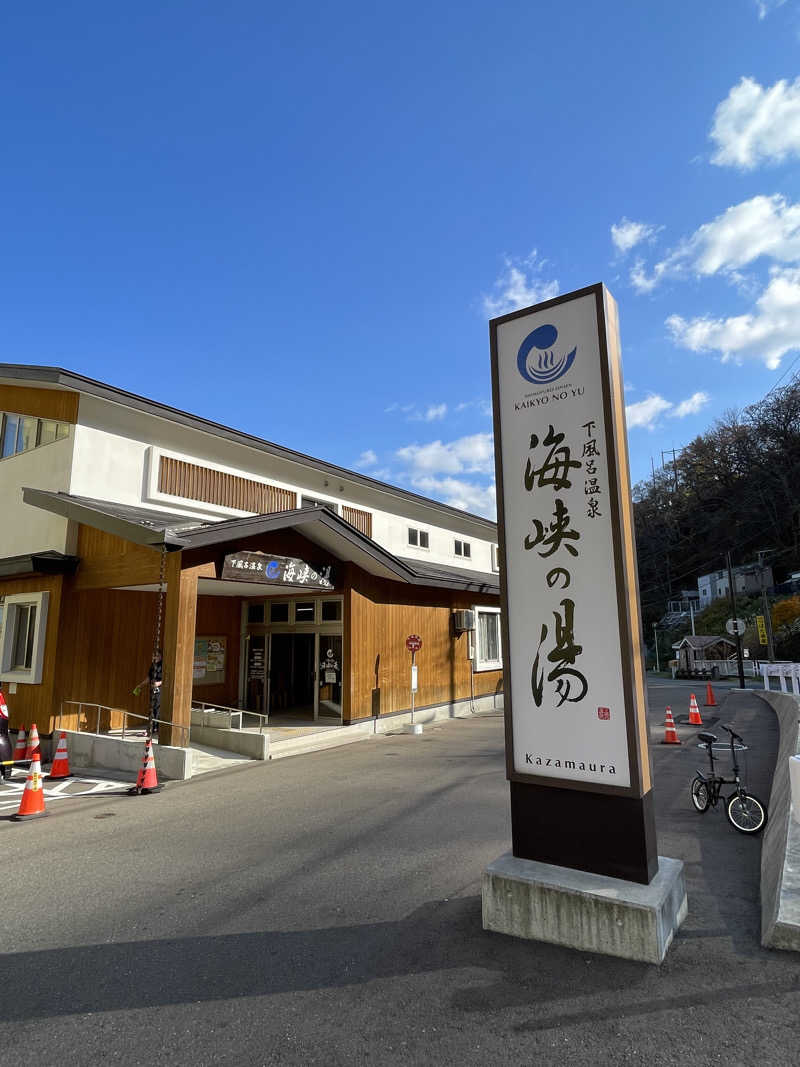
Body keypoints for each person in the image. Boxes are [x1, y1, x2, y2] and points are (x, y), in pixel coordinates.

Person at [134, 650, 163, 736]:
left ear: (161, 657)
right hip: (152, 689)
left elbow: (167, 678)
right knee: (152, 709)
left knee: (156, 709)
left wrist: (159, 683)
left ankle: (152, 729)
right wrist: (140, 685)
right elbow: (149, 678)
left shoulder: (163, 665)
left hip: (160, 690)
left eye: (157, 656)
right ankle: (152, 728)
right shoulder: (152, 666)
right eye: (154, 656)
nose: (155, 658)